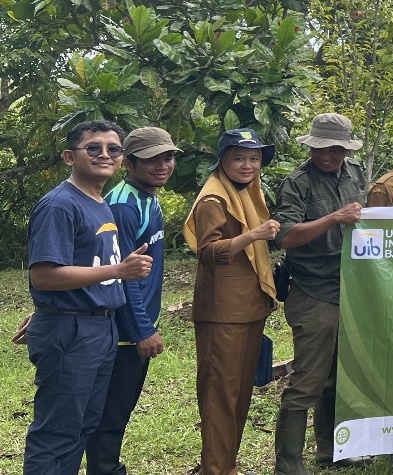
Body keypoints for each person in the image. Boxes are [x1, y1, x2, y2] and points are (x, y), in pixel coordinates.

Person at [24, 121, 153, 475]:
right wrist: (118, 272)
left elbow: (79, 266)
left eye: (113, 148)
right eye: (93, 148)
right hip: (72, 331)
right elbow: (44, 275)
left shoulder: (98, 201)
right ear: (70, 156)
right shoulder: (60, 205)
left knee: (83, 426)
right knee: (57, 431)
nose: (105, 155)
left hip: (100, 327)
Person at [271, 114, 368, 475]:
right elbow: (285, 236)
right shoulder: (297, 183)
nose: (328, 154)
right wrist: (333, 218)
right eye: (321, 148)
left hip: (352, 287)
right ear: (311, 146)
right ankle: (289, 464)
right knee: (308, 379)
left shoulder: (355, 173)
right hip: (313, 290)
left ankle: (330, 450)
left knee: (338, 374)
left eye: (336, 148)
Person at [185, 129, 281, 475]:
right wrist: (253, 235)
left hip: (250, 307)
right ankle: (215, 469)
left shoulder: (246, 193)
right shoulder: (214, 199)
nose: (248, 165)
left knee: (239, 394)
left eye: (254, 158)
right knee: (219, 395)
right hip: (223, 311)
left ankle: (228, 467)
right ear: (223, 160)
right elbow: (207, 252)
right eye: (239, 158)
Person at [85, 126, 178, 475]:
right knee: (110, 415)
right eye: (151, 159)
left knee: (115, 412)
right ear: (130, 163)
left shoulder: (146, 197)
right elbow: (121, 277)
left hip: (134, 325)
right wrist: (141, 330)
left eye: (167, 157)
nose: (162, 165)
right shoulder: (124, 205)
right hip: (123, 330)